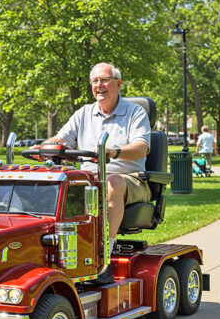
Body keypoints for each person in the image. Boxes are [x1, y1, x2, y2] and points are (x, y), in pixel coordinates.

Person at [42, 62, 152, 284]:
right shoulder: (83, 113)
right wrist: (44, 147)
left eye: (104, 80)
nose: (99, 85)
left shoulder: (135, 112)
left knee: (111, 182)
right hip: (88, 180)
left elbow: (142, 147)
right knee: (55, 185)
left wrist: (114, 151)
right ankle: (55, 254)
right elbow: (61, 139)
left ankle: (104, 259)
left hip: (129, 180)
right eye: (95, 81)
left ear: (118, 84)